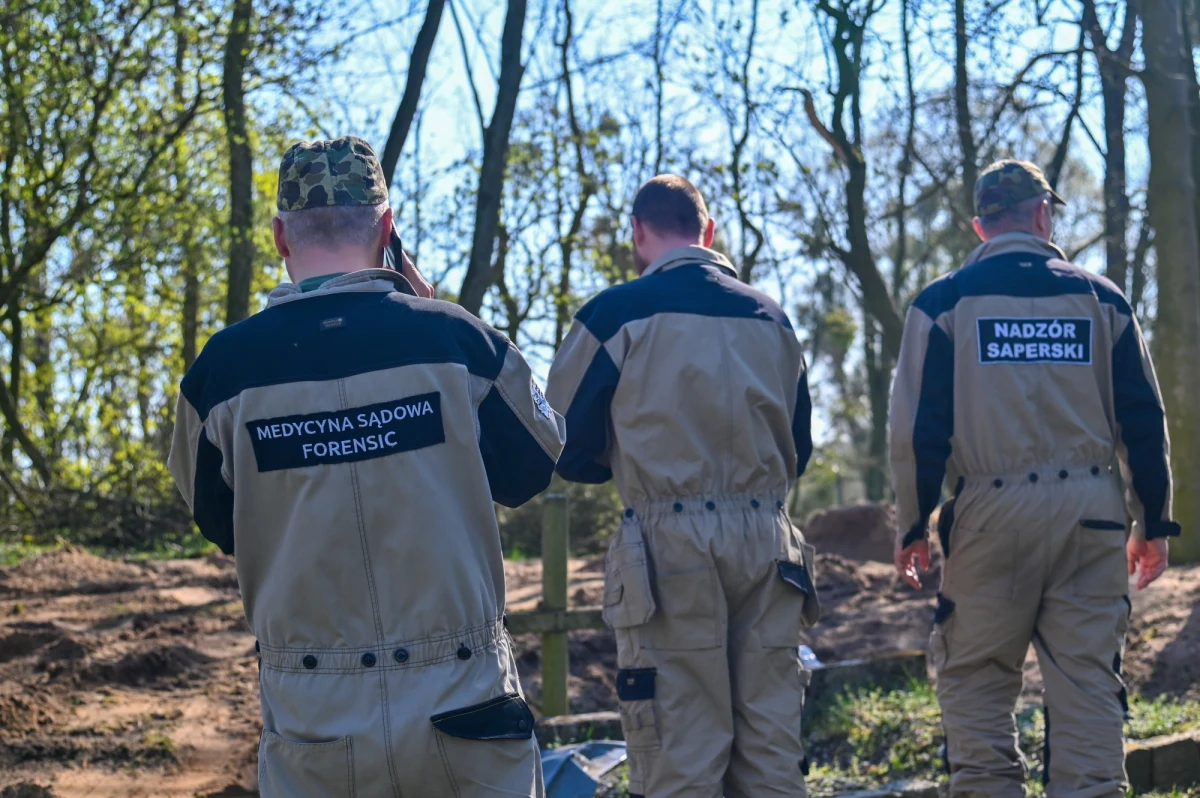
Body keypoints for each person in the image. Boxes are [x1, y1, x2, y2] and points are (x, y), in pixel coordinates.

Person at [167, 136, 565, 798]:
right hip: (466, 702)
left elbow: (221, 520)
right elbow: (534, 464)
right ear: (387, 229)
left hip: (313, 719)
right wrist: (432, 311)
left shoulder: (219, 375)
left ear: (279, 237)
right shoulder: (457, 341)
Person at [890, 159, 1178, 798]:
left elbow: (918, 429)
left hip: (991, 510)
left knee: (978, 678)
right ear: (1044, 214)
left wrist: (913, 523)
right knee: (1087, 682)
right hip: (1092, 511)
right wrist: (1153, 520)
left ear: (979, 225)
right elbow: (1142, 416)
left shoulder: (942, 303)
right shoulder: (1103, 299)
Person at [546, 174, 817, 798]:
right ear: (709, 231)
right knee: (772, 748)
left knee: (680, 754)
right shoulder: (772, 318)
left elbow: (559, 441)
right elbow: (798, 449)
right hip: (769, 540)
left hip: (670, 546)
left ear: (638, 234)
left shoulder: (614, 315)